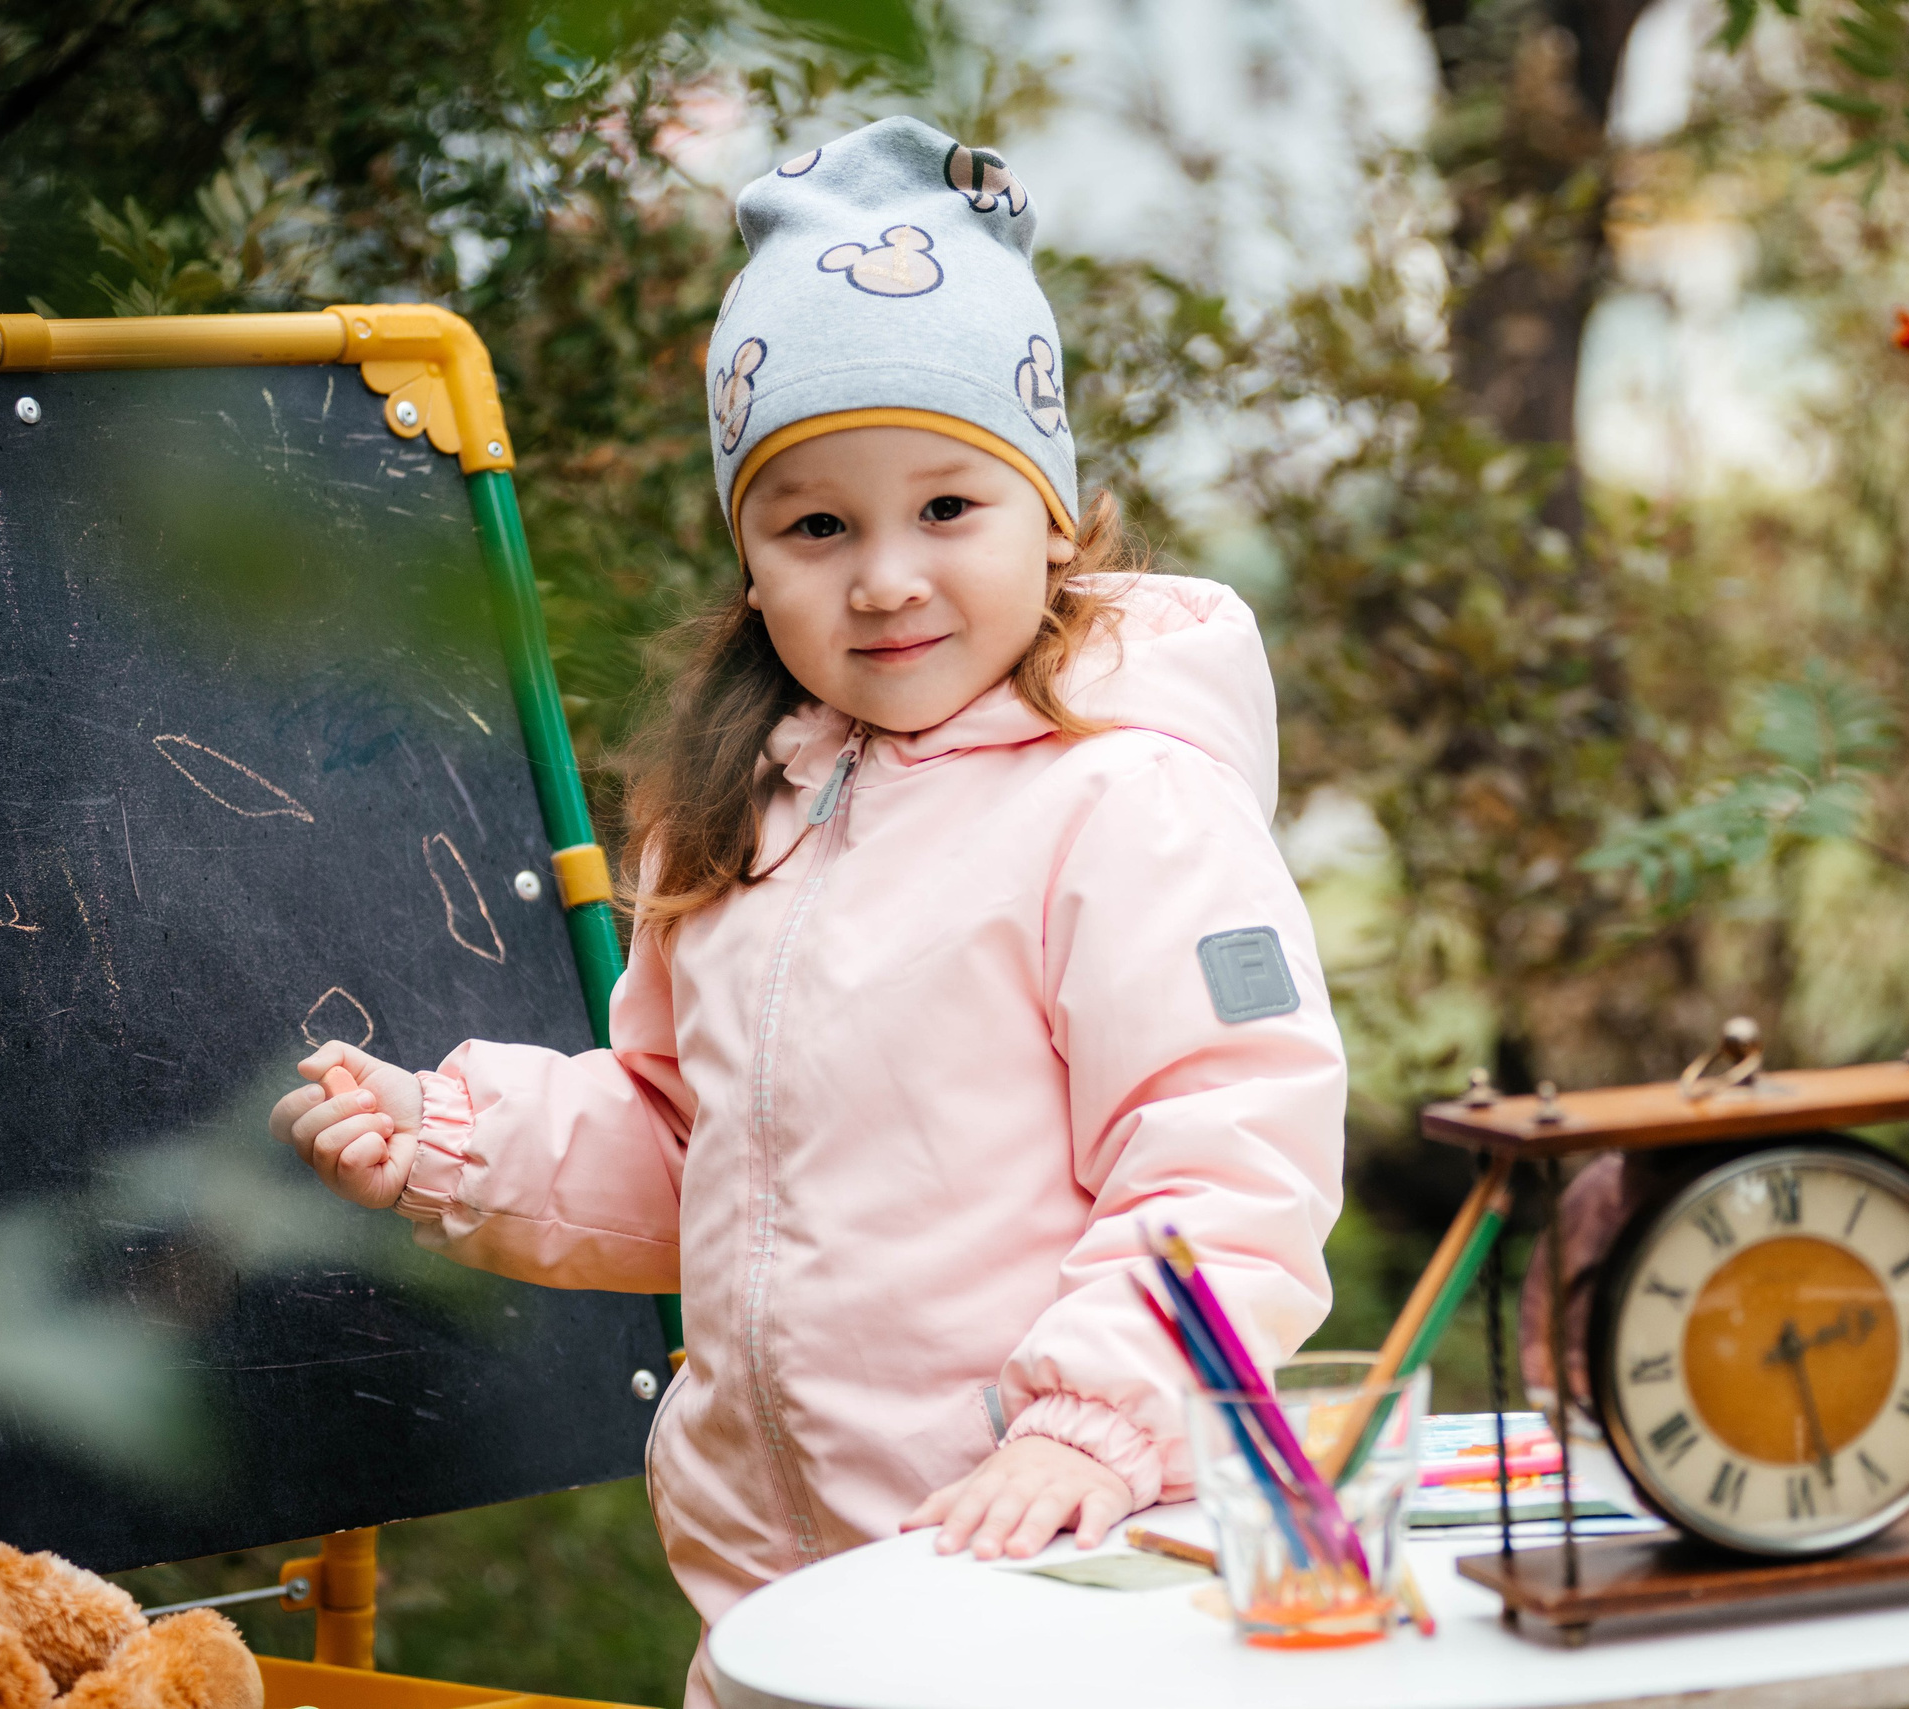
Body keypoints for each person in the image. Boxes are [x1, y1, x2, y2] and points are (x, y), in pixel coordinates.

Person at [267, 115, 1344, 1696]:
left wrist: (1092, 1420)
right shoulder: (740, 811)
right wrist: (454, 1135)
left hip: (1050, 1561)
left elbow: (1225, 1154)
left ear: (1053, 512)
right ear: (751, 558)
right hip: (785, 1607)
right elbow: (701, 1154)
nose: (888, 576)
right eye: (817, 523)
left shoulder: (1121, 803)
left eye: (949, 508)